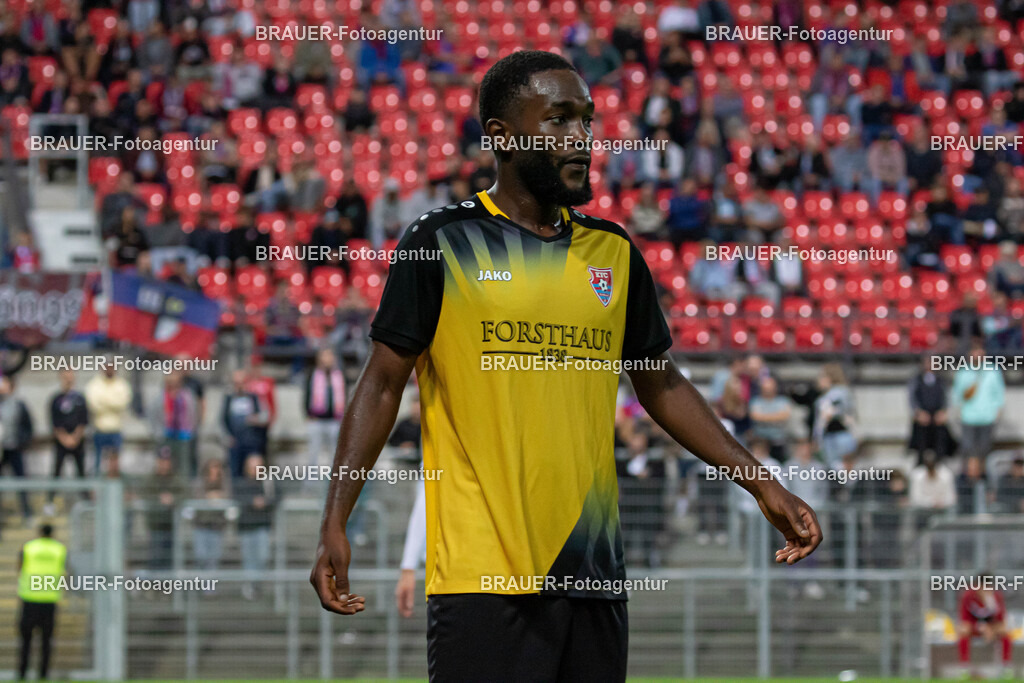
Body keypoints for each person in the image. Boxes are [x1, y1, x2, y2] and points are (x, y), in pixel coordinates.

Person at [310, 51, 821, 682]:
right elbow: (382, 384)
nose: (581, 137)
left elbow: (658, 382)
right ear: (500, 136)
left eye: (586, 120)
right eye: (558, 120)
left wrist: (760, 480)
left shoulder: (614, 251)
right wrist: (336, 516)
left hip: (594, 575)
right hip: (482, 581)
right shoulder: (442, 241)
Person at [17, 524, 66, 682]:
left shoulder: (28, 548)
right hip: (49, 600)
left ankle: (22, 673)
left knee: (26, 641)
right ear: (53, 533)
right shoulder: (60, 549)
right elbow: (64, 571)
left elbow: (19, 568)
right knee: (46, 641)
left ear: (39, 532)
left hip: (29, 599)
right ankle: (43, 674)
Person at [951, 341, 1005, 462]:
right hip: (968, 417)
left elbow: (999, 393)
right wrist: (958, 411)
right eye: (975, 352)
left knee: (985, 451)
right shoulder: (963, 371)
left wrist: (998, 411)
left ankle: (983, 477)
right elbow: (957, 394)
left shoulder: (993, 370)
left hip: (987, 417)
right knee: (968, 450)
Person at [235, 454, 275, 600]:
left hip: (262, 526)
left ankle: (257, 584)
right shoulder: (241, 483)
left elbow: (277, 498)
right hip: (246, 527)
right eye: (252, 466)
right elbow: (238, 499)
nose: (255, 469)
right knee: (249, 559)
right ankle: (250, 586)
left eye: (258, 466)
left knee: (263, 556)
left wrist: (266, 501)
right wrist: (252, 502)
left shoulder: (267, 483)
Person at [957, 573, 1012, 675]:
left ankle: (1006, 667)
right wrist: (979, 627)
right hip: (974, 627)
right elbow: (965, 621)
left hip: (992, 628)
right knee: (963, 632)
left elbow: (1001, 621)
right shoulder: (968, 596)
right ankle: (964, 667)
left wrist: (991, 629)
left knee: (1006, 633)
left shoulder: (996, 597)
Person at [48, 370, 89, 507]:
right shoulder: (56, 399)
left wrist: (75, 438)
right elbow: (55, 423)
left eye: (70, 376)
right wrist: (64, 438)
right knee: (57, 471)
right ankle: (50, 502)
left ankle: (86, 501)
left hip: (78, 442)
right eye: (65, 376)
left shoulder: (80, 399)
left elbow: (83, 421)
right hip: (61, 442)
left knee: (81, 472)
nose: (68, 379)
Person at [84, 364, 132, 474]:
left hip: (116, 430)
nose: (109, 369)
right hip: (99, 430)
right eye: (107, 366)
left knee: (115, 467)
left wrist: (104, 401)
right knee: (97, 465)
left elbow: (123, 404)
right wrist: (113, 402)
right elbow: (94, 405)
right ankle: (96, 488)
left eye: (112, 366)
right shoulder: (94, 384)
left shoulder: (122, 384)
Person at [221, 370, 269, 478]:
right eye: (236, 383)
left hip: (252, 442)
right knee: (235, 472)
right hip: (236, 443)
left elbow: (265, 416)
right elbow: (223, 419)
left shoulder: (254, 398)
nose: (239, 386)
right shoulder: (229, 399)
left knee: (254, 472)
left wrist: (255, 419)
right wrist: (228, 436)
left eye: (241, 383)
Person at [304, 349, 346, 471]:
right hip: (316, 419)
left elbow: (345, 394)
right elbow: (307, 395)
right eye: (324, 356)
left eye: (329, 356)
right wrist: (308, 414)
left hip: (335, 420)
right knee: (313, 454)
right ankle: (311, 486)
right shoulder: (312, 374)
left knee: (335, 455)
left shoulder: (339, 374)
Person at [907, 356, 953, 462]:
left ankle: (940, 461)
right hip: (922, 416)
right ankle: (921, 462)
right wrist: (918, 412)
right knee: (921, 440)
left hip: (938, 415)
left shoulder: (942, 380)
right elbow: (912, 397)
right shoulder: (916, 380)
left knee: (941, 438)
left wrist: (943, 411)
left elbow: (947, 397)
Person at [0, 375, 34, 521]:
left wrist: (22, 442)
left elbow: (28, 426)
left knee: (21, 481)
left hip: (15, 448)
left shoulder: (18, 405)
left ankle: (26, 512)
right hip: (1, 450)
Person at [749, 376, 793, 462]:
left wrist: (764, 417)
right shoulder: (756, 401)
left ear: (775, 388)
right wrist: (776, 417)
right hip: (760, 441)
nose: (768, 390)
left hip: (778, 441)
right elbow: (755, 416)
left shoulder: (783, 401)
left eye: (770, 388)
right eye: (765, 388)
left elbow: (785, 416)